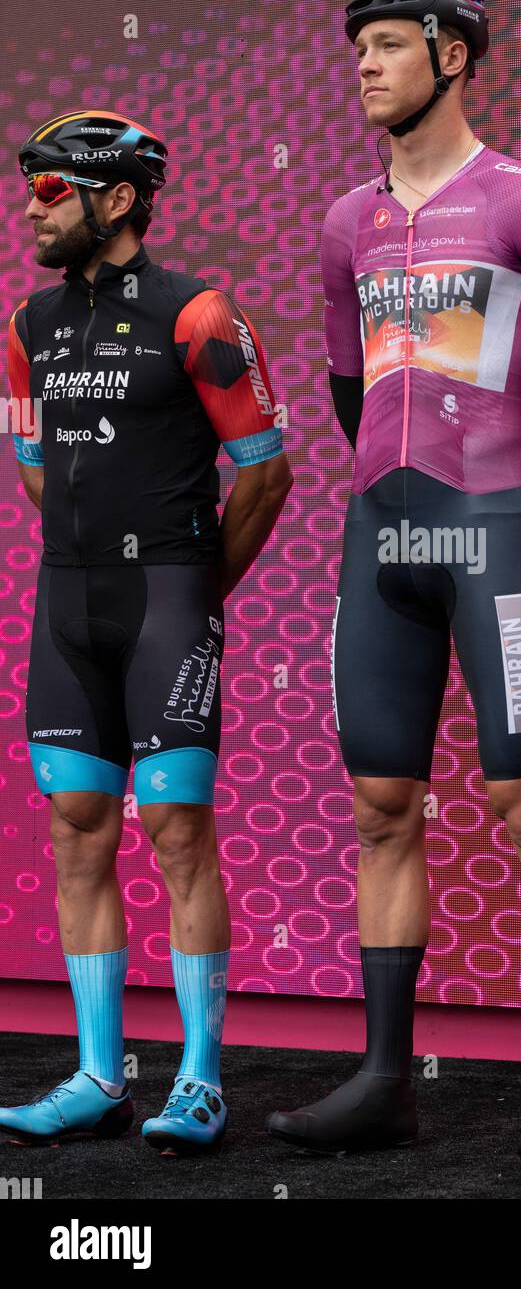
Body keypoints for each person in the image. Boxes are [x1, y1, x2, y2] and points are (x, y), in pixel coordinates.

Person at [266, 0, 521, 1170]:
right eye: (354, 46)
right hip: (386, 536)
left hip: (501, 534)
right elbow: (347, 388)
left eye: (383, 44)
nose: (362, 65)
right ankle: (383, 1080)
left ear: (453, 55)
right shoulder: (342, 223)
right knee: (379, 809)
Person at [0, 110, 292, 1155]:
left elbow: (266, 470)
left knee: (176, 835)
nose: (30, 208)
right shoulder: (30, 323)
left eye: (49, 189)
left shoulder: (200, 313)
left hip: (170, 603)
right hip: (67, 605)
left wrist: (197, 589)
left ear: (115, 200)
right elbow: (32, 459)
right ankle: (96, 1076)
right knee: (78, 826)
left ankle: (200, 1080)